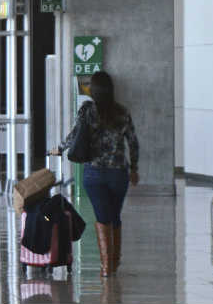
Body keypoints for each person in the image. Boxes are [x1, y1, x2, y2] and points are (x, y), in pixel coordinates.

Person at [52, 71, 139, 277]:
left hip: (94, 174)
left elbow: (74, 136)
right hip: (118, 173)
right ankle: (114, 263)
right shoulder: (123, 112)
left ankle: (106, 267)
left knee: (102, 217)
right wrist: (134, 168)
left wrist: (60, 148)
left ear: (94, 90)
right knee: (114, 216)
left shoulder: (87, 111)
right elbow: (133, 143)